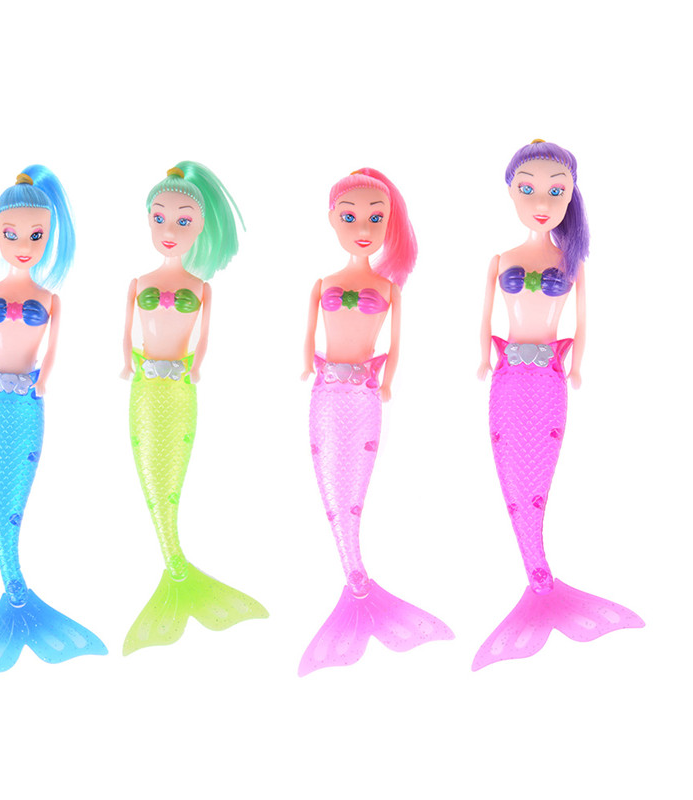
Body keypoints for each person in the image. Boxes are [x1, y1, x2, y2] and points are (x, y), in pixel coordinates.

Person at [473, 140, 643, 671]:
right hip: (506, 377)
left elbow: (582, 320)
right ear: (510, 192)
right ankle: (537, 576)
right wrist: (482, 357)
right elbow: (484, 319)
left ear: (571, 196)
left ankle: (540, 581)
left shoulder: (572, 262)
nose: (542, 201)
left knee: (537, 479)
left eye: (556, 190)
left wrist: (577, 364)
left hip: (549, 377)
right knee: (512, 478)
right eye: (527, 189)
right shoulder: (500, 260)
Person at [0, 166, 106, 679]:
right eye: (12, 234)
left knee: (15, 497)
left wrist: (43, 383)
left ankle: (16, 598)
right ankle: (14, 590)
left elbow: (52, 353)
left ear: (50, 236)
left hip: (27, 403)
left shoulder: (51, 300)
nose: (24, 245)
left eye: (37, 235)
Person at [299, 168, 453, 677]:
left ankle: (358, 583)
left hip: (366, 393)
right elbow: (308, 337)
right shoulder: (323, 283)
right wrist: (305, 365)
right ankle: (355, 577)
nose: (363, 227)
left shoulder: (389, 287)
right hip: (325, 392)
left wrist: (387, 381)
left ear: (390, 223)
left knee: (355, 491)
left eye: (376, 217)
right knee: (333, 490)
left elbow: (397, 342)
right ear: (331, 220)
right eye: (350, 217)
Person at [121, 161, 267, 654]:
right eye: (160, 218)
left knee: (172, 476)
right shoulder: (137, 282)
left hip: (181, 386)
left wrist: (196, 366)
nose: (170, 229)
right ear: (147, 220)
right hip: (144, 386)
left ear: (201, 226)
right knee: (151, 477)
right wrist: (126, 363)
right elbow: (126, 333)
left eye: (184, 220)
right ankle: (176, 566)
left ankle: (177, 573)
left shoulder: (202, 288)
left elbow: (203, 337)